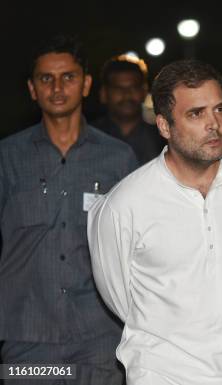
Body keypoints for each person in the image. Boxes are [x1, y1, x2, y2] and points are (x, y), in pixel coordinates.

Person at [88, 60, 222, 385]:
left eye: (219, 110)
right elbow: (118, 296)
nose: (214, 124)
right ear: (164, 126)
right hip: (162, 374)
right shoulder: (125, 204)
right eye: (196, 114)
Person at [0, 35, 138, 385]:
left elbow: (137, 247)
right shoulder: (8, 157)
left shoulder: (118, 158)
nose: (57, 87)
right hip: (26, 337)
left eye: (68, 77)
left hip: (100, 337)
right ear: (32, 89)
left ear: (86, 84)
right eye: (46, 78)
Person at [94, 57, 164, 164]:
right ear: (104, 94)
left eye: (133, 88)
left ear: (144, 91)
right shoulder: (87, 138)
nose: (127, 95)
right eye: (118, 88)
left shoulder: (163, 138)